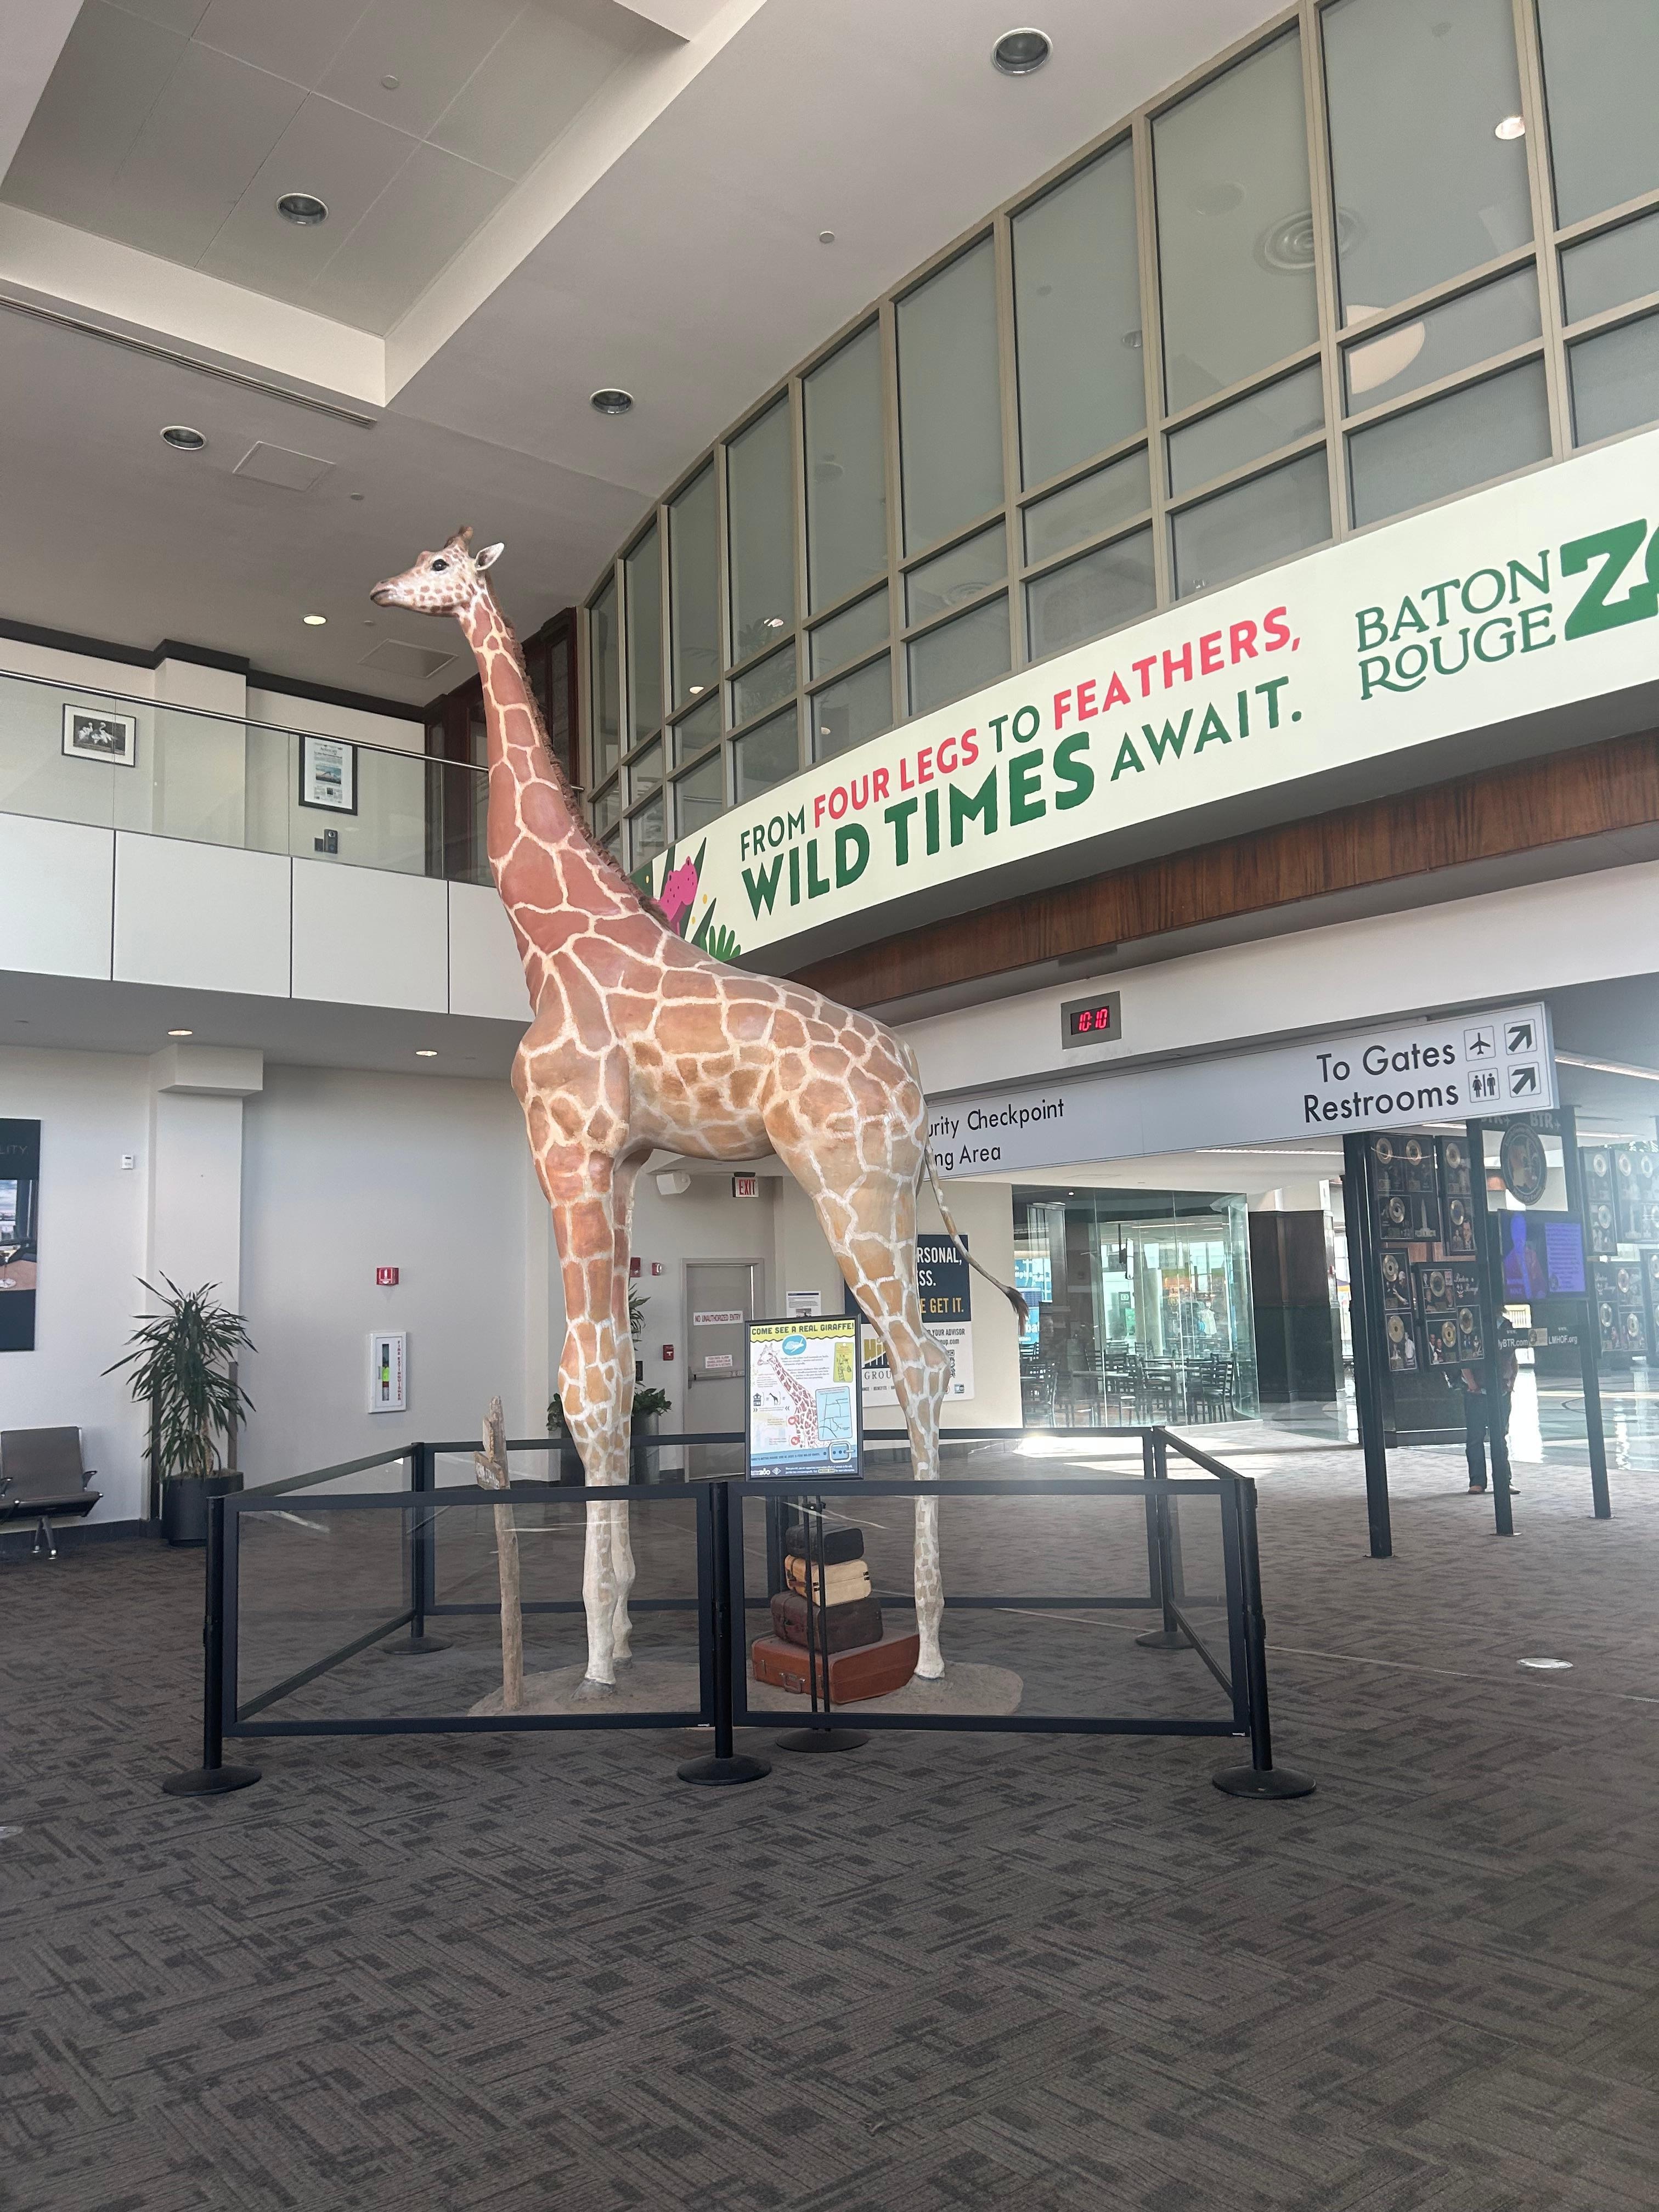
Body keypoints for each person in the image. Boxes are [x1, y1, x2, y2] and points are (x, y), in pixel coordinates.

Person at [1459, 1325, 1520, 1494]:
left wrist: (1513, 1379)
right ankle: (1477, 1482)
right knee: (1475, 1438)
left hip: (1501, 1392)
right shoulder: (1472, 1324)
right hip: (1477, 1393)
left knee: (1500, 1437)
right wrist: (1471, 1382)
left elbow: (1512, 1357)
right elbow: (1464, 1356)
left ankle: (1504, 1481)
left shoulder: (1506, 1325)